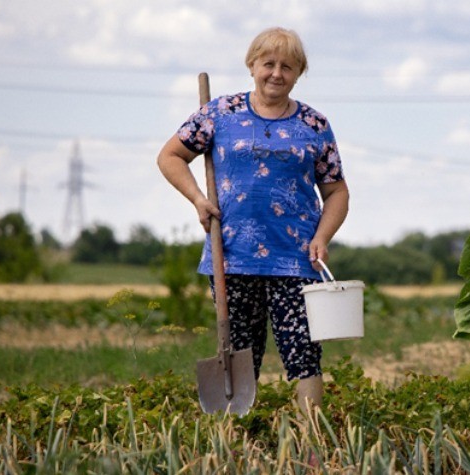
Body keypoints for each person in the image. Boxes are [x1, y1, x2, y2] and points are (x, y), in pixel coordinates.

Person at [156, 27, 349, 412]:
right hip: (232, 253)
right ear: (252, 66)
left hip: (296, 257)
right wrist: (198, 199)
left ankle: (310, 441)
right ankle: (237, 435)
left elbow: (337, 192)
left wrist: (322, 237)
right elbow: (170, 156)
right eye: (269, 64)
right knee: (241, 351)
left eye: (288, 66)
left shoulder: (314, 125)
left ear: (298, 73)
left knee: (303, 350)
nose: (277, 73)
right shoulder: (220, 114)